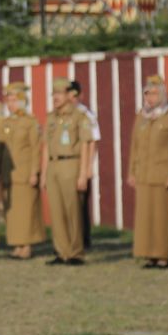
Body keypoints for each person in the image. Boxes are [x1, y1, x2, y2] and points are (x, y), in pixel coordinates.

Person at [127, 74, 168, 269]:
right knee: (145, 218)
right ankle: (148, 254)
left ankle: (163, 255)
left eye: (154, 94)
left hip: (162, 174)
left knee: (162, 216)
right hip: (144, 174)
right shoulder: (141, 117)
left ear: (162, 95)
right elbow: (134, 146)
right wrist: (131, 172)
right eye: (147, 93)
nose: (150, 98)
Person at [42, 76, 93, 265]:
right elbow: (46, 146)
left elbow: (86, 145)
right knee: (56, 212)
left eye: (59, 93)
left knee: (73, 211)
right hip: (54, 166)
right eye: (53, 93)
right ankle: (61, 251)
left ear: (69, 95)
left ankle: (76, 252)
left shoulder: (80, 117)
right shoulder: (51, 117)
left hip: (72, 164)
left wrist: (84, 173)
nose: (55, 97)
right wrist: (44, 173)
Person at [0, 82, 43, 260]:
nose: (11, 104)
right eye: (8, 100)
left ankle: (27, 246)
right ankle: (17, 245)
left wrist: (34, 172)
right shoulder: (6, 123)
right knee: (13, 213)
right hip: (9, 174)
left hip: (24, 174)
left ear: (24, 101)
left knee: (25, 212)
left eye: (14, 100)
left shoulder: (30, 122)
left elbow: (35, 148)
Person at [67, 80, 99, 250]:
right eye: (69, 95)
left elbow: (92, 141)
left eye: (74, 95)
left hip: (82, 165)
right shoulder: (64, 114)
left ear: (80, 96)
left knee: (81, 206)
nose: (71, 99)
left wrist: (87, 169)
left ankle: (84, 240)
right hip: (68, 167)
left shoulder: (86, 114)